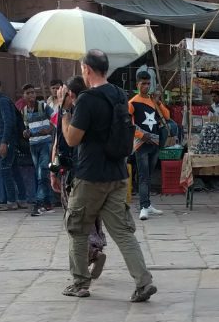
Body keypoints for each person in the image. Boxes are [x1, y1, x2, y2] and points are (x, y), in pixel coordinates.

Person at [58, 49, 156, 302]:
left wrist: (65, 112)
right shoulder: (119, 94)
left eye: (82, 68)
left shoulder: (87, 100)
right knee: (122, 232)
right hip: (118, 172)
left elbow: (72, 139)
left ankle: (79, 282)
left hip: (91, 175)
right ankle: (143, 282)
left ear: (87, 70)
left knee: (78, 229)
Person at [51, 76, 107, 280]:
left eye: (64, 92)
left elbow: (63, 142)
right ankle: (93, 255)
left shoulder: (71, 113)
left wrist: (54, 171)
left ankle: (86, 264)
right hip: (94, 175)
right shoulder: (92, 109)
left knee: (74, 223)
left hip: (73, 175)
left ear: (70, 95)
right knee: (92, 218)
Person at [0, 77, 32, 214]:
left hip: (8, 141)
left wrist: (4, 142)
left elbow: (9, 122)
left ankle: (11, 201)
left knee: (5, 169)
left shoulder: (3, 101)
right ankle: (22, 199)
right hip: (9, 140)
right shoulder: (2, 101)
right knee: (14, 169)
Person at [129, 71, 169, 221]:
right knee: (143, 176)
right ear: (137, 84)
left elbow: (167, 116)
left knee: (149, 175)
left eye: (148, 84)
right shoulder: (132, 102)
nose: (146, 86)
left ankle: (147, 204)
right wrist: (141, 135)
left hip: (155, 141)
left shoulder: (153, 101)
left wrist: (158, 102)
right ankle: (143, 207)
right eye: (143, 83)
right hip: (141, 144)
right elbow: (127, 124)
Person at [20, 84, 55, 214]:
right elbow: (26, 127)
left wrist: (50, 129)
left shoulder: (44, 106)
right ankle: (48, 203)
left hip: (46, 143)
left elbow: (56, 118)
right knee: (41, 174)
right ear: (24, 96)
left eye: (33, 93)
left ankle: (38, 203)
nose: (31, 95)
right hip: (33, 144)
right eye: (28, 93)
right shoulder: (24, 111)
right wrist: (26, 133)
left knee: (42, 173)